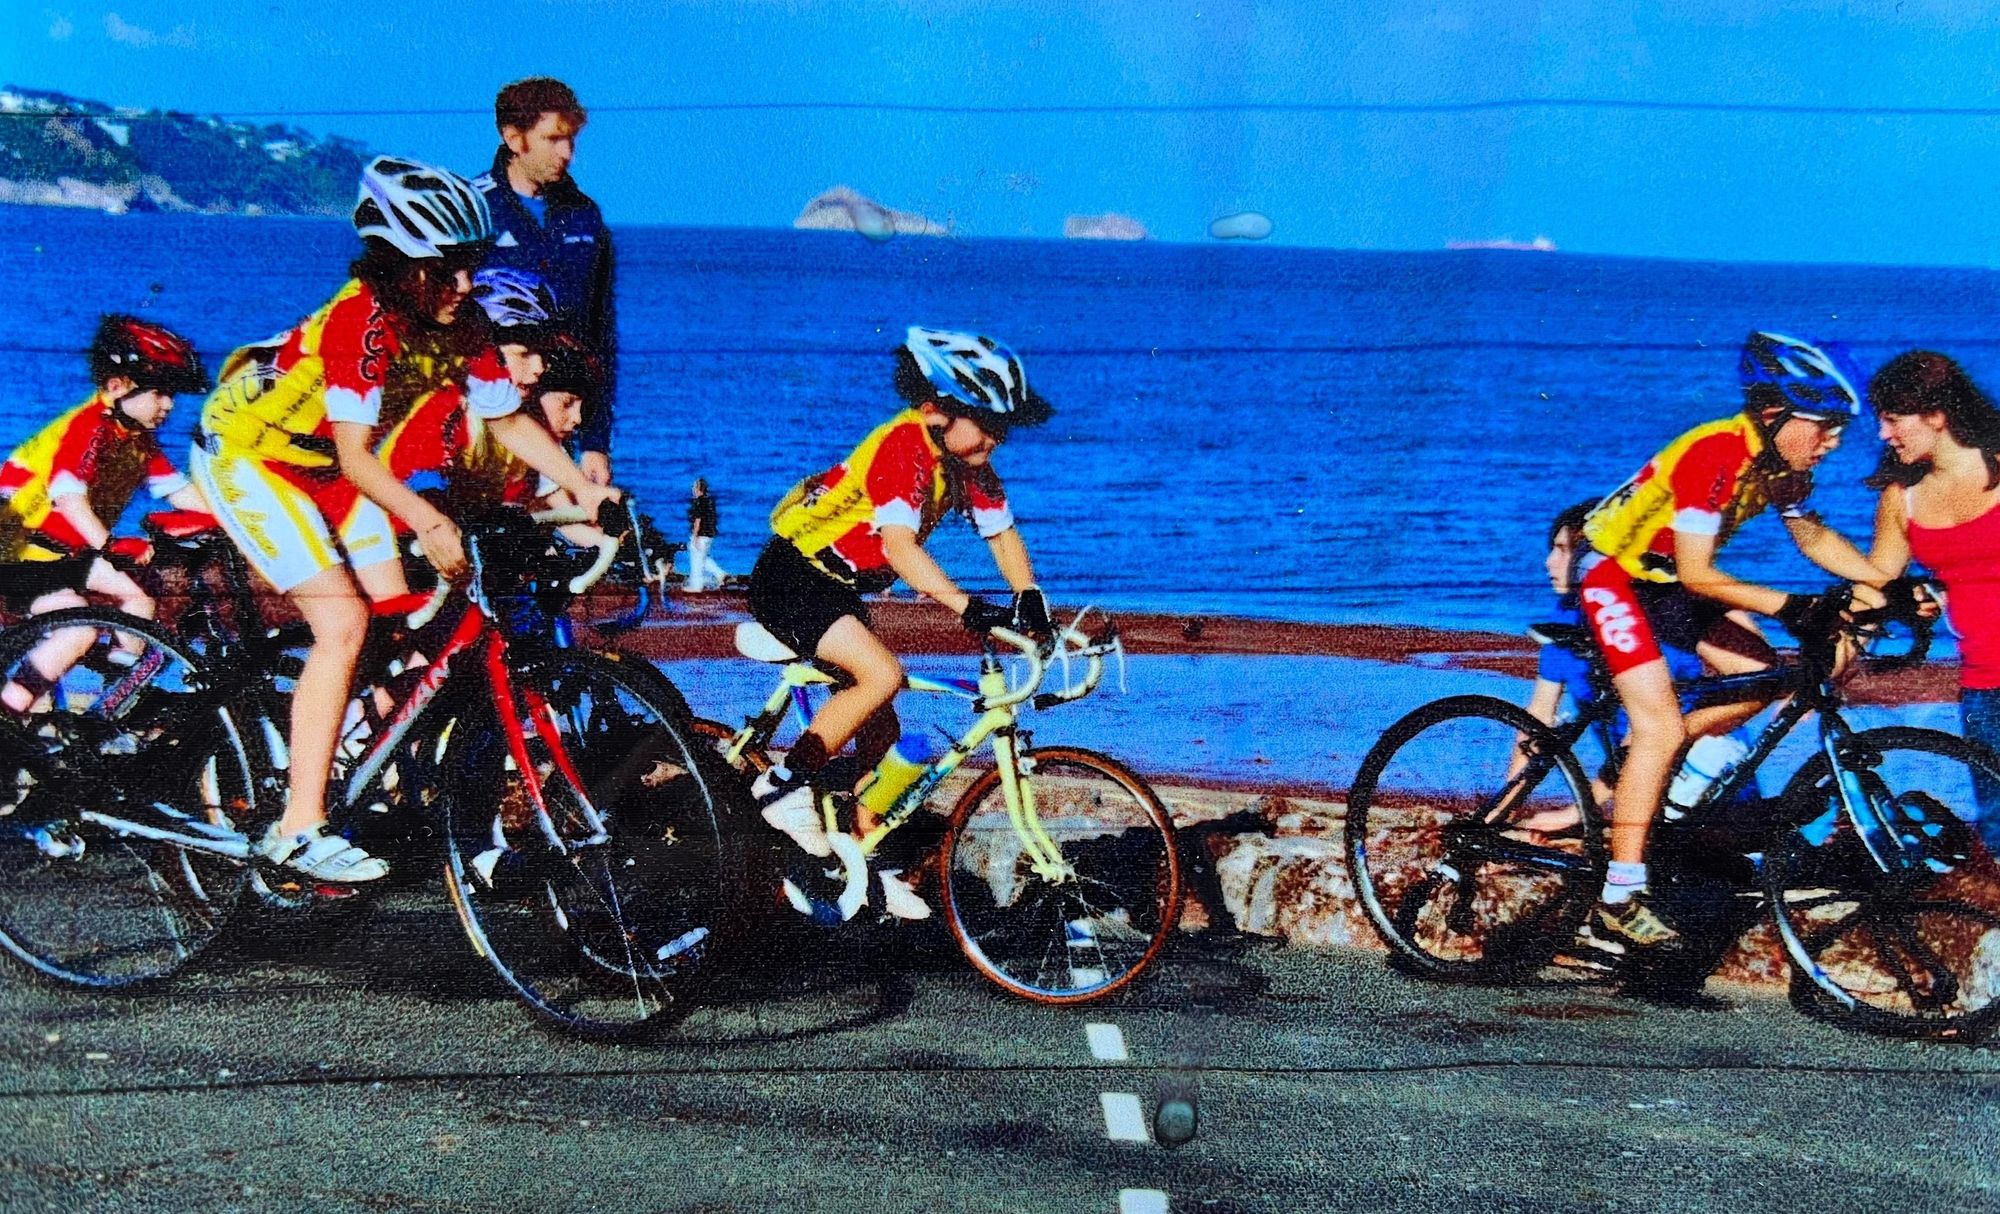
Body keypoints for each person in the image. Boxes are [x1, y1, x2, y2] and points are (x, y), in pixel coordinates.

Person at [192, 156, 619, 885]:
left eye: (471, 265)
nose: (462, 285)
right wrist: (427, 519)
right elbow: (361, 458)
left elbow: (507, 419)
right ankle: (299, 825)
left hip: (332, 469)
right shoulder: (362, 321)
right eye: (443, 269)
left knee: (398, 624)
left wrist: (583, 487)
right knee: (343, 626)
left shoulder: (465, 320)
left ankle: (357, 757)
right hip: (253, 460)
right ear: (393, 265)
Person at [1574, 331, 1884, 951]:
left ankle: (1639, 766)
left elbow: (1815, 539)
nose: (1835, 440)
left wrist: (1888, 586)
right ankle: (1619, 896)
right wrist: (1790, 605)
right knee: (1662, 729)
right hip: (1614, 577)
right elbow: (1697, 573)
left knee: (1768, 677)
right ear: (1773, 413)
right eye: (1823, 424)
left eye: (1840, 427)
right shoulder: (1716, 453)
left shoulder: (1775, 464)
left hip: (1666, 589)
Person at [745, 326, 1054, 919]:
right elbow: (899, 548)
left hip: (833, 588)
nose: (999, 437)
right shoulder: (903, 447)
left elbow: (1001, 533)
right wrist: (968, 607)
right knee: (882, 675)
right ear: (941, 410)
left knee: (881, 727)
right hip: (792, 576)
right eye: (988, 423)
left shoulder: (968, 463)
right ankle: (782, 788)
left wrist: (1030, 597)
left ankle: (862, 854)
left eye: (1005, 426)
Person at [0, 315, 213, 712]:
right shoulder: (89, 428)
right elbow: (68, 497)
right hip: (18, 554)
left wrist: (236, 518)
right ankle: (9, 710)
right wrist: (112, 546)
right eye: (161, 392)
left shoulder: (134, 439)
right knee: (79, 630)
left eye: (173, 395)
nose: (169, 405)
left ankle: (120, 697)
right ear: (117, 387)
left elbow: (178, 490)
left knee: (139, 602)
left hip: (61, 556)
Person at [1859, 351, 2000, 852]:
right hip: (1984, 687)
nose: (1882, 434)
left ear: (1937, 416)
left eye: (1892, 419)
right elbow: (1873, 582)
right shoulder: (1903, 496)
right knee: (1998, 831)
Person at [472, 77, 616, 486]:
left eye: (571, 140)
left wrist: (595, 442)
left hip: (559, 421)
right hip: (487, 414)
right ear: (514, 138)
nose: (567, 153)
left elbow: (599, 336)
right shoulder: (473, 209)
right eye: (553, 139)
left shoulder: (585, 216)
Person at [686, 478, 726, 592]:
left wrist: (695, 537)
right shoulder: (710, 501)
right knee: (702, 558)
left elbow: (697, 521)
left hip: (701, 535)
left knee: (696, 561)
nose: (693, 489)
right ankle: (719, 573)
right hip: (709, 535)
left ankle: (696, 586)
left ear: (698, 488)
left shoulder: (698, 502)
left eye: (694, 486)